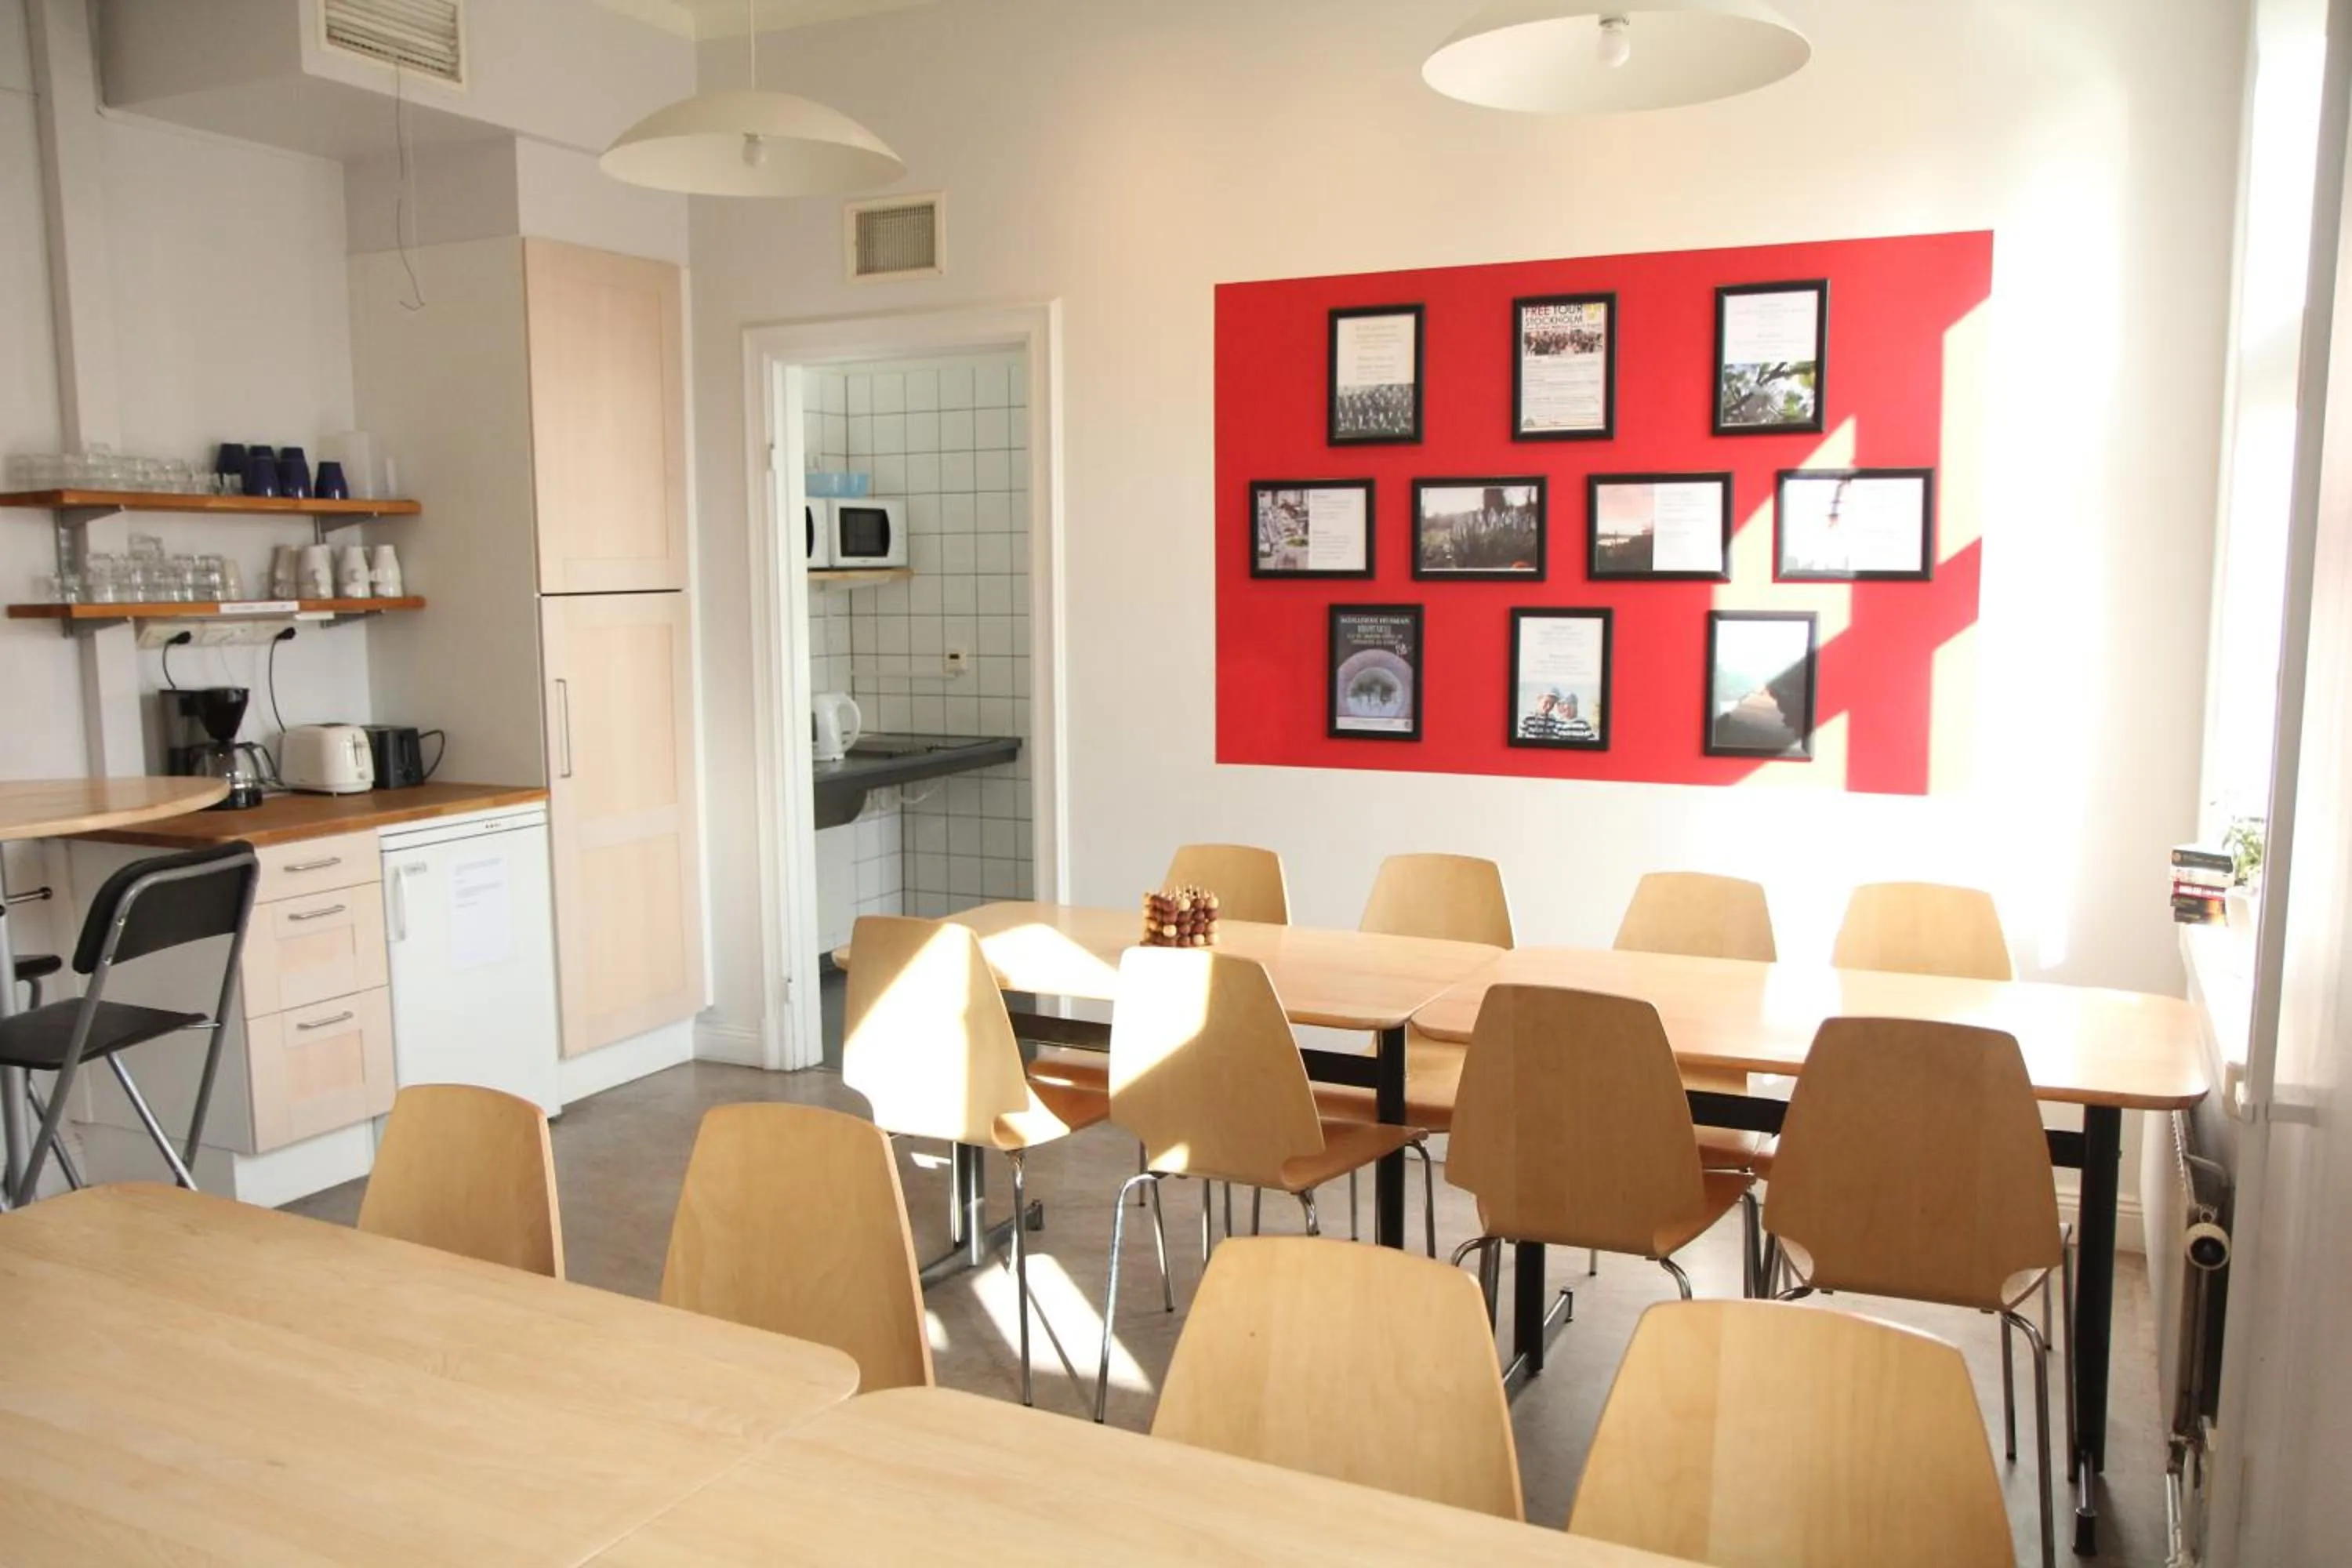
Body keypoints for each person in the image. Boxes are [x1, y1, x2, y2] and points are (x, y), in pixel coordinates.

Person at [1519, 688, 1596, 742]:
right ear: (1539, 700)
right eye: (1546, 702)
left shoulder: (1554, 721)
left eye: (1552, 704)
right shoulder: (1527, 719)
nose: (1549, 706)